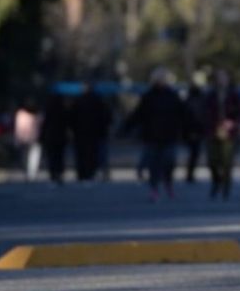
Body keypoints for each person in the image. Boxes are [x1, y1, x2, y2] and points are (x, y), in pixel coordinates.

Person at [122, 68, 185, 201]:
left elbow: (185, 114)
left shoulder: (173, 96)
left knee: (169, 162)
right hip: (152, 136)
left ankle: (168, 184)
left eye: (163, 78)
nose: (161, 81)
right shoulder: (148, 96)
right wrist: (124, 129)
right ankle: (154, 189)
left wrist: (194, 128)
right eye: (159, 78)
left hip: (169, 136)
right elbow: (137, 115)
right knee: (153, 165)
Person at [203, 69, 240, 200]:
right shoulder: (211, 95)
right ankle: (216, 182)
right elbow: (204, 113)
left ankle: (226, 188)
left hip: (229, 133)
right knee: (212, 161)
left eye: (224, 77)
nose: (221, 80)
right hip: (213, 132)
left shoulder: (234, 95)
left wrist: (233, 123)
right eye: (219, 78)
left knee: (227, 162)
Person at [70, 83, 112, 181]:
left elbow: (72, 117)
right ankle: (90, 172)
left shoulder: (78, 101)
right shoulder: (98, 100)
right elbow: (106, 116)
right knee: (92, 154)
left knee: (82, 154)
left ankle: (82, 173)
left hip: (81, 133)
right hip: (94, 132)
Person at [39, 92, 70, 185]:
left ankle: (53, 174)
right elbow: (67, 124)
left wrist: (42, 136)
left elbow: (44, 125)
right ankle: (59, 174)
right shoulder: (64, 110)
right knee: (59, 156)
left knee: (52, 157)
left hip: (50, 137)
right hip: (60, 137)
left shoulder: (48, 110)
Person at [13, 98, 42, 181]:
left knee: (31, 157)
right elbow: (18, 128)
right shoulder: (22, 114)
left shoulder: (23, 114)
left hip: (32, 138)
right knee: (28, 157)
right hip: (28, 138)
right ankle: (29, 172)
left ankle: (30, 173)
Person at [183, 84, 207, 183]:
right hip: (195, 132)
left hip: (192, 132)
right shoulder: (197, 102)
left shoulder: (189, 101)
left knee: (193, 154)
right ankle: (190, 174)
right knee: (194, 154)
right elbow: (197, 118)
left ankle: (190, 173)